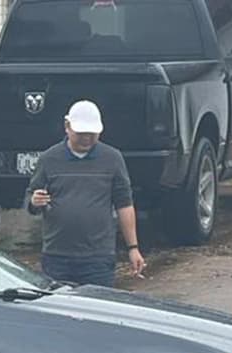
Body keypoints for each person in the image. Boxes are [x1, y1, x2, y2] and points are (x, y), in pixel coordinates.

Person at [26, 100, 145, 287]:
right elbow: (31, 198)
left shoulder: (112, 159)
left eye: (92, 134)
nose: (87, 139)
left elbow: (124, 204)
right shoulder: (49, 159)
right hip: (57, 257)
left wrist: (133, 248)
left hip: (98, 258)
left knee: (98, 309)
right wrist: (34, 201)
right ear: (67, 127)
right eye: (81, 134)